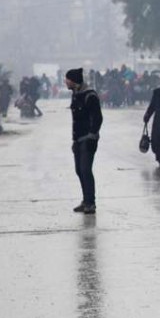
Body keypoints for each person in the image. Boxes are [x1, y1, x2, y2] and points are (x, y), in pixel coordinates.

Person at [65, 68, 102, 214]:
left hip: (88, 139)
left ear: (74, 80)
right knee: (79, 170)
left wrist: (93, 135)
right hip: (78, 139)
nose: (66, 81)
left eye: (67, 79)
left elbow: (98, 118)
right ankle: (85, 200)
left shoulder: (90, 95)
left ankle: (91, 203)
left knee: (86, 170)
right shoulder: (75, 95)